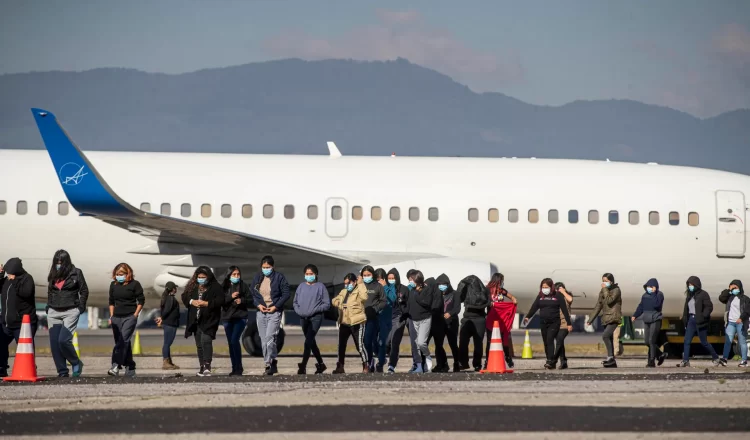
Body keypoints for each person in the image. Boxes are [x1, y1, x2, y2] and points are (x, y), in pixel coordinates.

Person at [46, 250, 88, 377]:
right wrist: (49, 306)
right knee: (54, 343)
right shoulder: (53, 272)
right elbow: (50, 291)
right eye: (57, 262)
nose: (59, 264)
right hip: (54, 311)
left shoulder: (76, 273)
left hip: (71, 310)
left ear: (67, 262)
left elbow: (84, 290)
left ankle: (76, 362)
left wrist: (80, 308)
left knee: (63, 341)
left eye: (61, 262)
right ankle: (62, 372)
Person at [250, 256, 290, 376]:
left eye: (268, 267)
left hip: (274, 312)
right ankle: (268, 364)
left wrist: (276, 306)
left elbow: (286, 294)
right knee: (263, 340)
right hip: (261, 312)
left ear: (273, 267)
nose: (266, 269)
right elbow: (252, 293)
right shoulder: (258, 277)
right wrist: (258, 305)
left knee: (270, 338)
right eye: (264, 267)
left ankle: (271, 361)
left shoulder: (279, 277)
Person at [182, 266, 224, 376]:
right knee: (199, 344)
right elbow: (184, 296)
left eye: (203, 277)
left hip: (209, 319)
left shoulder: (215, 287)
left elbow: (220, 300)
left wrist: (207, 303)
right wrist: (192, 301)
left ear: (208, 277)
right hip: (196, 320)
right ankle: (201, 366)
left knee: (206, 340)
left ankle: (207, 365)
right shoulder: (193, 286)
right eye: (199, 277)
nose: (201, 279)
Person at [523, 278, 572, 369]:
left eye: (546, 287)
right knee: (546, 341)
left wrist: (569, 323)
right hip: (543, 322)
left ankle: (550, 361)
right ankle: (550, 361)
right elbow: (534, 307)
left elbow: (565, 311)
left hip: (554, 322)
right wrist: (528, 316)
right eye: (543, 287)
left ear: (551, 287)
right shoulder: (540, 296)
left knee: (550, 340)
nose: (544, 288)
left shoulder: (557, 296)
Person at [0, 258, 37, 378]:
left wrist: (14, 281)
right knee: (1, 344)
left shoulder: (27, 279)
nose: (8, 274)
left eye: (9, 271)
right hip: (6, 323)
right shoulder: (6, 280)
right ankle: (2, 367)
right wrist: (0, 275)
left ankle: (30, 368)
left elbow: (25, 293)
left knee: (25, 348)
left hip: (22, 323)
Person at [107, 263, 144, 377]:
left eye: (122, 274)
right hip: (116, 317)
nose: (119, 276)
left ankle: (115, 365)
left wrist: (135, 315)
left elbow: (141, 301)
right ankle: (130, 367)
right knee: (122, 342)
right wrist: (112, 316)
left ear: (128, 274)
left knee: (123, 340)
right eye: (117, 274)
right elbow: (111, 302)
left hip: (129, 316)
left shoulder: (135, 284)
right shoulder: (113, 285)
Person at [293, 264, 331, 374]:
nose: (309, 276)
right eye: (307, 274)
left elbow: (326, 304)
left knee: (308, 341)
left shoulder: (320, 287)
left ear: (316, 274)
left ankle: (303, 366)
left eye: (311, 274)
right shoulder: (301, 287)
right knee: (311, 343)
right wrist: (299, 311)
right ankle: (321, 364)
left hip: (315, 318)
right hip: (303, 318)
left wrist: (315, 309)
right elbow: (295, 302)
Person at [677, 276, 721, 367]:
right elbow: (687, 308)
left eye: (692, 284)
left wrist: (703, 316)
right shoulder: (689, 295)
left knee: (704, 342)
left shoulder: (703, 294)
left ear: (696, 285)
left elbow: (709, 307)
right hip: (691, 320)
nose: (690, 286)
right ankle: (685, 360)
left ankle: (716, 357)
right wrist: (685, 318)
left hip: (700, 321)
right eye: (689, 285)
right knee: (687, 341)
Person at [332, 273, 368, 374]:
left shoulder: (359, 291)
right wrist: (337, 302)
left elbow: (364, 297)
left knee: (359, 346)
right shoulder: (344, 291)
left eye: (349, 283)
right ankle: (340, 366)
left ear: (354, 282)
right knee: (341, 346)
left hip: (357, 322)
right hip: (344, 322)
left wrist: (361, 284)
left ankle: (366, 365)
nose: (347, 285)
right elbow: (335, 300)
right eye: (345, 283)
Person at [406, 270, 440, 373]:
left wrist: (416, 292)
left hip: (424, 319)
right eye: (409, 280)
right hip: (413, 319)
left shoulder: (427, 289)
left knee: (421, 342)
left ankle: (427, 355)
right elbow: (408, 304)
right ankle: (419, 366)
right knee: (415, 344)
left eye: (411, 279)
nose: (410, 282)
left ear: (417, 279)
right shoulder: (410, 290)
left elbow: (426, 303)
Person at [587, 273, 622, 368]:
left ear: (611, 281)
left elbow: (609, 301)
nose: (604, 283)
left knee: (605, 336)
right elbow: (598, 306)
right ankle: (612, 361)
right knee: (609, 338)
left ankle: (610, 357)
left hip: (614, 317)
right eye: (603, 281)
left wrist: (604, 289)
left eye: (606, 281)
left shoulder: (616, 290)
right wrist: (591, 319)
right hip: (606, 318)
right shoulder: (603, 291)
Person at [385, 268, 417, 374]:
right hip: (390, 318)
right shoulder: (385, 288)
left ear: (397, 278)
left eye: (393, 278)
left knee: (398, 342)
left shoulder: (403, 289)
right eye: (389, 278)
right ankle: (388, 359)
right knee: (387, 342)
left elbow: (408, 303)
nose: (391, 280)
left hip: (402, 317)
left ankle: (392, 365)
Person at [221, 266, 251, 376]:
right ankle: (234, 368)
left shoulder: (243, 286)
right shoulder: (224, 287)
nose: (236, 277)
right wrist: (230, 297)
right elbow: (220, 301)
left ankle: (239, 367)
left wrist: (241, 301)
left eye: (238, 274)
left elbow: (250, 299)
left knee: (234, 340)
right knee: (231, 343)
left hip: (240, 317)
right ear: (229, 275)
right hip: (227, 318)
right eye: (234, 275)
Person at [457, 275, 490, 371]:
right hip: (480, 320)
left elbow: (459, 298)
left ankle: (463, 363)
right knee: (478, 343)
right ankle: (477, 364)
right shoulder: (485, 291)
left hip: (467, 319)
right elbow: (489, 305)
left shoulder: (467, 289)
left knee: (463, 343)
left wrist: (462, 285)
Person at [631, 278, 666, 368]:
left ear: (655, 287)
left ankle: (651, 361)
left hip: (655, 320)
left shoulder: (659, 295)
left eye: (651, 287)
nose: (649, 288)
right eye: (648, 287)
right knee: (647, 341)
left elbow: (656, 305)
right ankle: (660, 354)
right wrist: (635, 315)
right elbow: (641, 306)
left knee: (652, 341)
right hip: (646, 320)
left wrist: (654, 293)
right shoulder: (644, 296)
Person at [486, 273, 517, 369]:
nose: (502, 283)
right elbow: (484, 300)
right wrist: (490, 303)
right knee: (489, 341)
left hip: (501, 319)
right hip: (491, 319)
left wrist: (513, 299)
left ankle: (508, 358)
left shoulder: (501, 291)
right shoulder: (487, 290)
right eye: (501, 281)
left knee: (504, 340)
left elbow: (511, 297)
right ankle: (487, 361)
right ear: (497, 280)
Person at [432, 273, 461, 372]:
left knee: (453, 344)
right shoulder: (435, 294)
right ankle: (441, 364)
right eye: (439, 284)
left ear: (448, 284)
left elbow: (457, 308)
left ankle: (457, 363)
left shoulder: (455, 294)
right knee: (438, 345)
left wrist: (450, 313)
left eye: (444, 284)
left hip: (451, 323)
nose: (441, 286)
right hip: (439, 323)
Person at [718, 280, 750, 367]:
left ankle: (744, 361)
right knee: (728, 341)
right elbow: (721, 298)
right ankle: (724, 359)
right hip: (731, 322)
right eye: (732, 287)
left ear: (740, 287)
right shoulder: (729, 298)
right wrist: (729, 290)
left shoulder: (745, 299)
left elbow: (747, 311)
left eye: (735, 287)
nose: (734, 289)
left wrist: (741, 318)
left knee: (742, 342)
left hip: (741, 323)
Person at [361, 265, 386, 372]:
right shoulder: (359, 286)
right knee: (364, 342)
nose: (366, 277)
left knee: (370, 340)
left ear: (373, 275)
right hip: (360, 318)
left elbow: (383, 301)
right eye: (364, 275)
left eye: (368, 275)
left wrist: (375, 309)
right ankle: (370, 360)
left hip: (372, 318)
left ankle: (373, 359)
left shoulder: (378, 286)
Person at [371, 268, 393, 373]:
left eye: (380, 279)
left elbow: (393, 299)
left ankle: (380, 363)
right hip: (375, 317)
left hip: (385, 319)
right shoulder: (374, 287)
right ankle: (381, 358)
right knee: (373, 342)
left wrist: (385, 287)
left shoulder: (389, 287)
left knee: (382, 342)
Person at [155, 281, 180, 370]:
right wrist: (162, 317)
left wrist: (162, 318)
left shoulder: (166, 297)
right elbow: (167, 310)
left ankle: (169, 362)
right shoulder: (171, 298)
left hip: (169, 323)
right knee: (167, 343)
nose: (176, 289)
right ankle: (166, 362)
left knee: (167, 343)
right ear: (173, 289)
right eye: (175, 288)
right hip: (170, 323)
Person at [554, 282, 573, 370]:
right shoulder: (555, 297)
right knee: (560, 342)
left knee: (559, 340)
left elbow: (570, 299)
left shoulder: (566, 296)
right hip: (556, 323)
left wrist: (564, 292)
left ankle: (553, 360)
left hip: (565, 323)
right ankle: (563, 361)